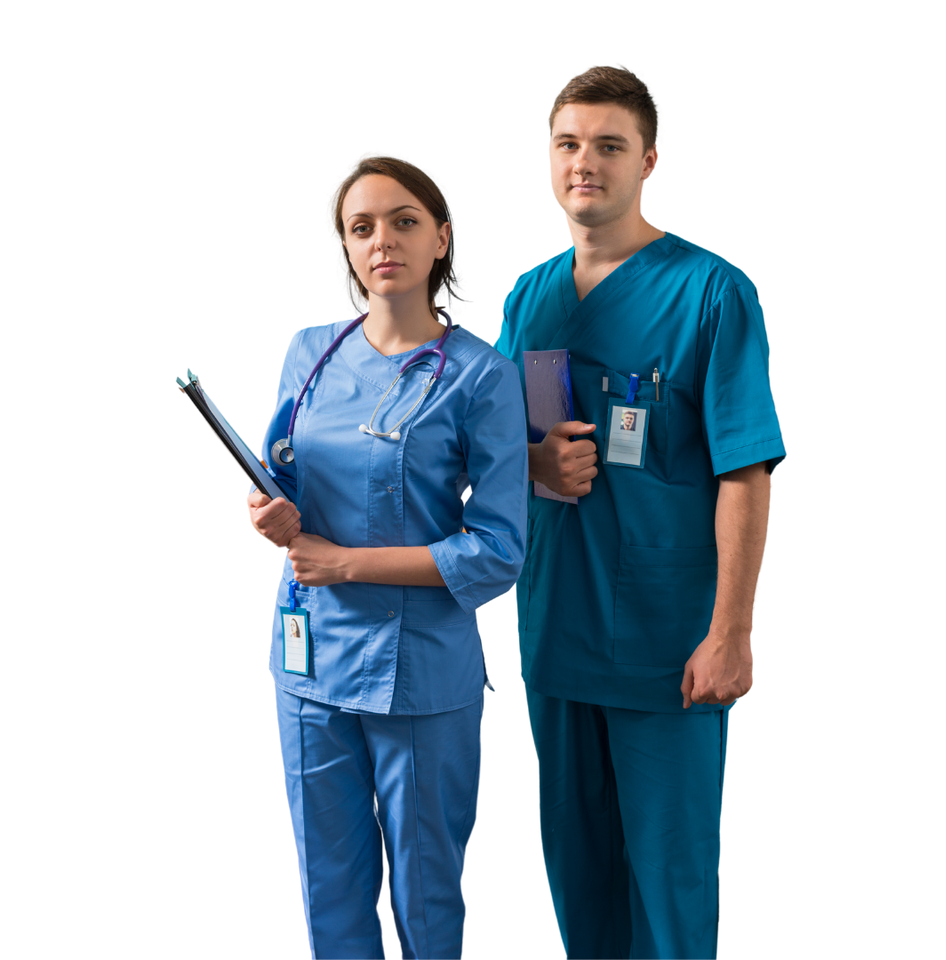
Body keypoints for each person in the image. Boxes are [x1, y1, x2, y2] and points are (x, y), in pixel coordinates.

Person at [495, 67, 785, 960]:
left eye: (609, 146)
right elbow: (492, 447)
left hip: (667, 647)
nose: (585, 162)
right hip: (557, 630)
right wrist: (533, 461)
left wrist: (730, 631)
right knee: (580, 880)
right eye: (568, 144)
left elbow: (745, 470)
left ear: (648, 160)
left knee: (669, 883)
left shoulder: (711, 293)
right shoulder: (530, 297)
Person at [247, 157, 528, 960]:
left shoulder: (481, 375)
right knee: (328, 883)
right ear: (345, 246)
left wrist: (346, 565)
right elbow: (285, 477)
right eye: (361, 227)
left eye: (404, 221)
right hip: (310, 657)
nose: (382, 241)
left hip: (421, 669)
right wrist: (271, 512)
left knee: (425, 889)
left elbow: (499, 550)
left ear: (441, 238)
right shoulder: (310, 353)